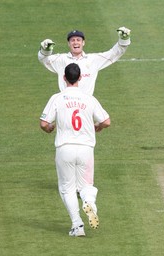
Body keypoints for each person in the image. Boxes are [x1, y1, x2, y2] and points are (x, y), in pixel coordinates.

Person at [40, 63, 111, 237]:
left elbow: (44, 123)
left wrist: (49, 129)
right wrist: (98, 126)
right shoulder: (89, 98)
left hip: (65, 148)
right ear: (80, 78)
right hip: (86, 148)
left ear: (64, 78)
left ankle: (77, 225)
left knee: (67, 189)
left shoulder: (57, 98)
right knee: (86, 185)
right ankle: (89, 202)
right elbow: (106, 121)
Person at [38, 26, 131, 95]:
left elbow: (114, 53)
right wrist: (45, 50)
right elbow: (44, 59)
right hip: (66, 103)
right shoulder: (61, 59)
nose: (75, 42)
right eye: (72, 40)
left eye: (78, 40)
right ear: (68, 43)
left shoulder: (93, 59)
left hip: (86, 105)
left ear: (83, 43)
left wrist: (123, 40)